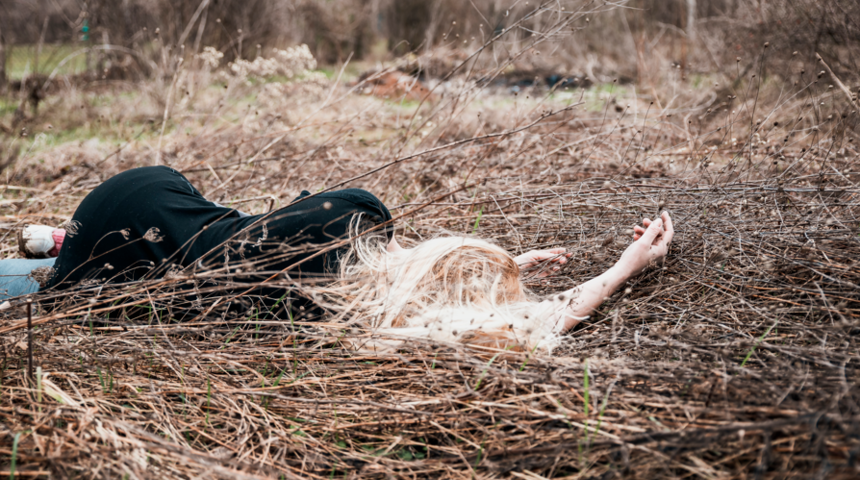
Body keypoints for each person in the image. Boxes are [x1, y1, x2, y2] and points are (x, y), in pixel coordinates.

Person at [1, 166, 674, 353]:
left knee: (108, 280)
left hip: (154, 200)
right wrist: (622, 271)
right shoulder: (369, 308)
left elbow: (419, 269)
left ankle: (65, 248)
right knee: (69, 303)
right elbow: (543, 324)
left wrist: (504, 266)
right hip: (146, 223)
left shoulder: (365, 244)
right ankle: (64, 254)